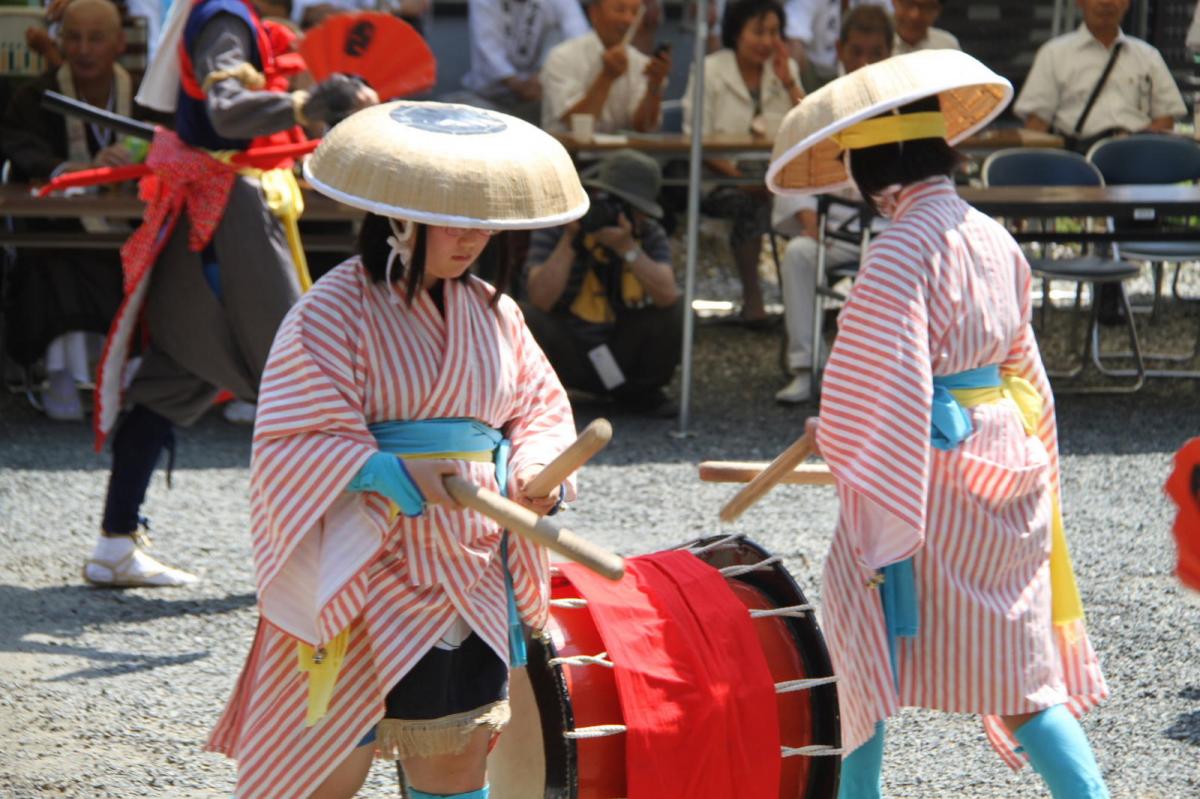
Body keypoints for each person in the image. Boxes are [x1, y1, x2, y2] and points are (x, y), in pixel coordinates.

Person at [206, 99, 586, 799]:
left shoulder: (495, 313)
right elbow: (295, 435)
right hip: (365, 556)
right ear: (401, 215)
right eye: (453, 217)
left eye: (483, 219)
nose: (471, 237)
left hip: (469, 562)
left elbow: (539, 408)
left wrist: (537, 470)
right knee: (325, 763)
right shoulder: (334, 307)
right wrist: (389, 469)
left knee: (455, 756)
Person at [766, 49, 1110, 798]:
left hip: (935, 471)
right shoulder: (992, 235)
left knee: (857, 633)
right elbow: (1026, 370)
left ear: (871, 166)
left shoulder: (899, 249)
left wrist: (842, 428)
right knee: (1019, 673)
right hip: (1006, 457)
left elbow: (880, 380)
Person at [79, 0, 377, 588]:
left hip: (214, 215)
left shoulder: (226, 14)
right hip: (226, 221)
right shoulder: (226, 17)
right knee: (302, 377)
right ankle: (317, 562)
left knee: (175, 377)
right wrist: (307, 104)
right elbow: (227, 111)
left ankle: (115, 543)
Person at [0, 0, 132, 421]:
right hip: (61, 226)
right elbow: (18, 145)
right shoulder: (36, 95)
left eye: (96, 38)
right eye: (72, 37)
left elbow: (168, 142)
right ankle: (61, 378)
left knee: (157, 264)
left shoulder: (144, 96)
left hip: (131, 226)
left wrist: (134, 156)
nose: (83, 49)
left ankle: (131, 378)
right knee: (55, 260)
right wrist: (61, 169)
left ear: (119, 44)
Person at [770, 3, 892, 404]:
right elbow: (798, 172)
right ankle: (806, 368)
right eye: (856, 51)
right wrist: (808, 222)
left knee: (909, 258)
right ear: (839, 49)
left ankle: (886, 375)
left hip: (888, 229)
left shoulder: (903, 103)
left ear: (889, 53)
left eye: (874, 53)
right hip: (830, 226)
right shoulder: (821, 103)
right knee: (799, 255)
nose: (863, 61)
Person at [522, 149, 682, 415]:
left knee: (676, 311)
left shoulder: (648, 233)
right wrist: (570, 241)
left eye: (627, 208)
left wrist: (628, 248)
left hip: (623, 343)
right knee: (521, 313)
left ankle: (642, 392)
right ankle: (546, 392)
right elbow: (539, 299)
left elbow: (668, 295)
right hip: (569, 344)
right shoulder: (560, 226)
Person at [683, 0, 802, 326]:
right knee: (750, 204)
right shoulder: (709, 70)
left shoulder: (783, 69)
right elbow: (698, 141)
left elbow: (807, 125)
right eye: (758, 31)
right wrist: (740, 178)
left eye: (774, 32)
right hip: (722, 178)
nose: (766, 41)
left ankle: (808, 302)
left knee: (811, 206)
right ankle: (755, 299)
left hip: (776, 177)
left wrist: (789, 81)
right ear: (737, 32)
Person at [1014, 0, 1184, 148]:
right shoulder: (1054, 54)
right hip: (1078, 159)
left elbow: (1166, 118)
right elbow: (1037, 123)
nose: (1106, 2)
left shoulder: (1148, 56)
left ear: (1127, 2)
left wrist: (1142, 150)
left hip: (1136, 157)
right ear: (1080, 1)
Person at [540, 0, 671, 133]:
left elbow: (644, 128)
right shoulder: (562, 57)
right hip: (567, 152)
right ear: (594, 13)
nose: (628, 19)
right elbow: (574, 123)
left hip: (622, 152)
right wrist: (606, 77)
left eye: (635, 12)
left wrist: (654, 86)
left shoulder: (641, 63)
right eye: (620, 10)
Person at [456, 0, 589, 123]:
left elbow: (578, 39)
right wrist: (518, 85)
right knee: (461, 111)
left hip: (540, 92)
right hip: (488, 96)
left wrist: (542, 75)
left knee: (560, 111)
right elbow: (487, 50)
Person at [890, 0, 958, 55]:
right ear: (894, 2)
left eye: (926, 7)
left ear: (938, 10)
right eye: (909, 3)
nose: (914, 15)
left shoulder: (947, 46)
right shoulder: (880, 45)